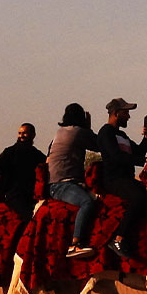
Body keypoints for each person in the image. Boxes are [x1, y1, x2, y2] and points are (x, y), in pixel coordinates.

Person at [96, 97, 147, 262]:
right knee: (139, 197)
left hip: (126, 180)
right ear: (115, 113)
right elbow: (116, 157)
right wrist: (143, 161)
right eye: (125, 112)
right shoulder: (105, 132)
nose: (128, 116)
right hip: (114, 180)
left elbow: (138, 153)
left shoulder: (122, 135)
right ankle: (119, 238)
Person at [46, 103, 100, 259]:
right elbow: (100, 145)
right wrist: (88, 127)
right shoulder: (78, 132)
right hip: (62, 185)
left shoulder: (59, 132)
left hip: (60, 183)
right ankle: (75, 244)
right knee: (87, 202)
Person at [0, 122, 45, 215]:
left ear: (33, 135)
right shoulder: (10, 152)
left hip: (31, 196)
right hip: (14, 196)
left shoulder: (37, 155)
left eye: (25, 133)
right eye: (20, 133)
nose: (21, 136)